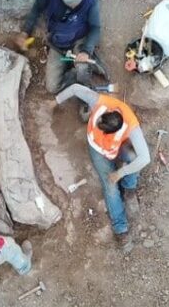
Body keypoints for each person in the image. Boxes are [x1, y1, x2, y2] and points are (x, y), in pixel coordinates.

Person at [55, 84, 151, 250]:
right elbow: (76, 88)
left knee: (133, 158)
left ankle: (129, 189)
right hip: (97, 150)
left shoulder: (131, 125)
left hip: (115, 147)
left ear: (113, 130)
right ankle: (120, 228)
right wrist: (56, 101)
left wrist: (121, 172)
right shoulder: (99, 102)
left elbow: (145, 159)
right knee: (110, 185)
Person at [15, 0, 103, 94]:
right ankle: (73, 72)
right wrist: (25, 32)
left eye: (77, 4)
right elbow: (36, 9)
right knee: (52, 88)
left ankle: (84, 85)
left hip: (79, 41)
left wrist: (86, 50)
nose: (74, 7)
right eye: (71, 4)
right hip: (57, 45)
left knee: (82, 68)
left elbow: (95, 28)